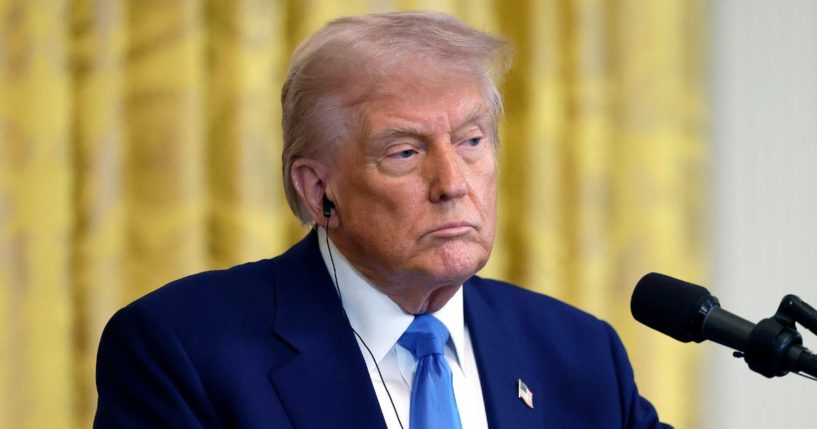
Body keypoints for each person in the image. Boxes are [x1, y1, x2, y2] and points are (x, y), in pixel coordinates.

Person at [94, 11, 671, 429]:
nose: (452, 184)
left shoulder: (578, 352)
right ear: (319, 189)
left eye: (471, 141)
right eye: (405, 152)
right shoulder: (183, 350)